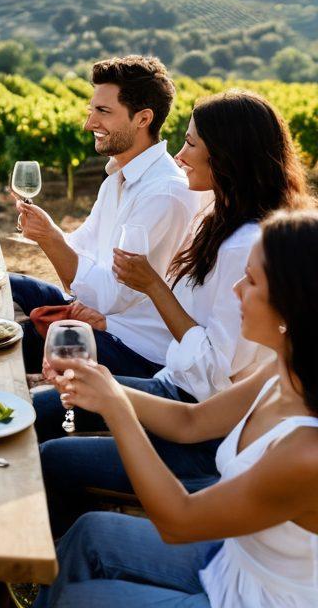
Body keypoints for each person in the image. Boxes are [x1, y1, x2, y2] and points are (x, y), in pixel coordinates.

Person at [36, 90, 311, 534]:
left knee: (49, 438)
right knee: (46, 408)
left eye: (191, 144)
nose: (179, 155)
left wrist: (152, 287)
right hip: (175, 389)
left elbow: (210, 374)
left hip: (200, 417)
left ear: (227, 157)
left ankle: (51, 552)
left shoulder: (245, 246)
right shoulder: (217, 217)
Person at [34, 208, 318, 608]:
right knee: (89, 534)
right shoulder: (281, 370)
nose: (236, 289)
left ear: (292, 305)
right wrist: (100, 384)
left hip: (247, 598)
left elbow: (179, 520)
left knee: (83, 599)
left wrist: (115, 408)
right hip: (231, 559)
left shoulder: (308, 452)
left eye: (251, 280)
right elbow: (191, 421)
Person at [15, 55, 201, 376]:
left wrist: (49, 237)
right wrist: (51, 238)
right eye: (91, 111)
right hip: (102, 316)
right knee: (6, 286)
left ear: (143, 119)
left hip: (135, 347)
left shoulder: (163, 194)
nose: (89, 124)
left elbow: (111, 298)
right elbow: (81, 249)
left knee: (12, 344)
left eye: (102, 112)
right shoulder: (118, 178)